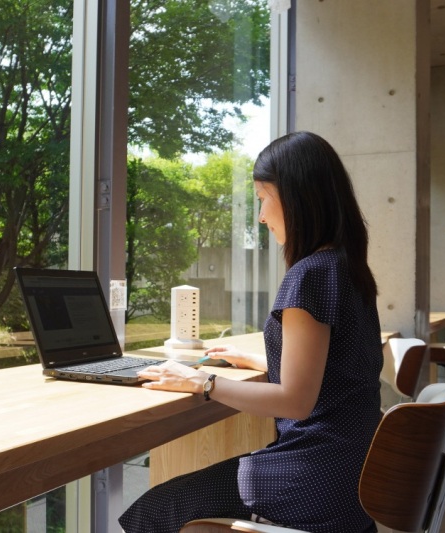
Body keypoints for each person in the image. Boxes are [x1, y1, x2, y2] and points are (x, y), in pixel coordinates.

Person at [119, 131, 383, 533]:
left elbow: (295, 401)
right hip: (354, 473)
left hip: (314, 474)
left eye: (263, 197)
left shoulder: (309, 276)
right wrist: (258, 361)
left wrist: (202, 381)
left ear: (297, 198)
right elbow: (339, 370)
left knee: (156, 509)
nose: (261, 216)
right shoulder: (347, 268)